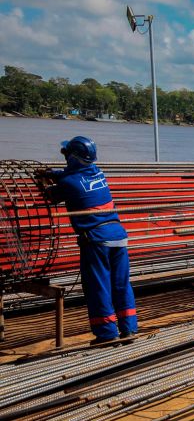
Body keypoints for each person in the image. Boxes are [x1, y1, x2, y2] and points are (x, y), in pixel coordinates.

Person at [35, 136, 137, 344]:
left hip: (96, 240)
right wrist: (52, 173)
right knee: (120, 284)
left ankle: (107, 334)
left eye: (66, 155)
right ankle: (129, 329)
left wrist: (43, 180)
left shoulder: (68, 182)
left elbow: (51, 195)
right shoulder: (98, 172)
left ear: (72, 158)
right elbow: (71, 175)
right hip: (118, 237)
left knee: (98, 286)